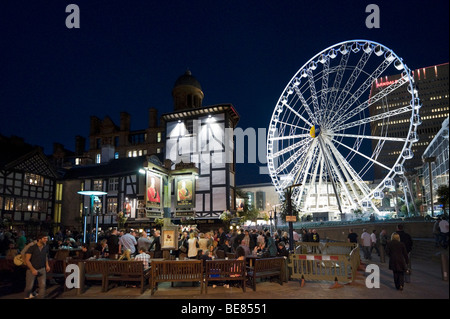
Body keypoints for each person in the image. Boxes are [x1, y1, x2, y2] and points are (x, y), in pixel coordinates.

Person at [24, 233, 50, 299]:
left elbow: (45, 256)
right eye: (44, 238)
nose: (46, 240)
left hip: (42, 269)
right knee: (29, 287)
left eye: (47, 238)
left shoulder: (46, 247)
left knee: (43, 285)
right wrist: (32, 269)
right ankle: (27, 296)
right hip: (31, 269)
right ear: (39, 239)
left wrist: (47, 265)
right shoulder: (32, 248)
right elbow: (27, 260)